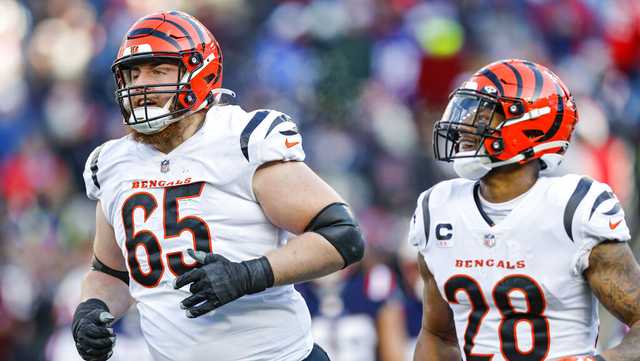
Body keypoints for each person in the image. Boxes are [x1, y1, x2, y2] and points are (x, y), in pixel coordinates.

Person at [71, 10, 364, 361]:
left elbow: (342, 236)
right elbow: (110, 272)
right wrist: (92, 307)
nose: (141, 85)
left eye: (158, 70)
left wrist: (249, 274)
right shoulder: (114, 163)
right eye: (133, 74)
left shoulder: (241, 141)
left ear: (199, 71)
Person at [408, 59, 640, 360]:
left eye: (482, 116)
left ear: (528, 125)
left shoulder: (572, 209)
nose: (464, 128)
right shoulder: (437, 208)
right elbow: (436, 335)